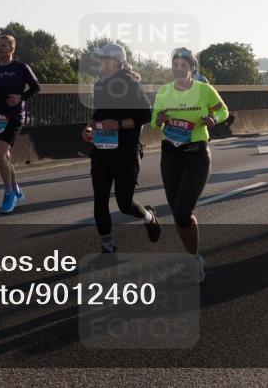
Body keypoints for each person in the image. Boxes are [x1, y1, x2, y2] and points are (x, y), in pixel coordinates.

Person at [152, 48, 229, 283]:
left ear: (191, 68)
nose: (178, 69)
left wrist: (213, 119)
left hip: (196, 155)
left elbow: (223, 110)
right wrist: (161, 120)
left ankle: (194, 260)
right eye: (175, 65)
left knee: (184, 212)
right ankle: (191, 255)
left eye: (183, 65)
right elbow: (155, 123)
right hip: (170, 155)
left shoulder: (203, 90)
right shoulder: (164, 91)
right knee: (177, 213)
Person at [82, 43, 159, 253]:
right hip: (102, 152)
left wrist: (117, 124)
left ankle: (149, 217)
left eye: (104, 58)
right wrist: (89, 128)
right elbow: (99, 114)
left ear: (115, 62)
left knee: (125, 204)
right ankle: (107, 245)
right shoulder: (100, 85)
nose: (100, 62)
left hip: (125, 153)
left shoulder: (129, 84)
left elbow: (146, 115)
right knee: (100, 200)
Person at [0, 34, 41, 214]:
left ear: (11, 49)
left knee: (0, 155)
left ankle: (8, 193)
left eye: (3, 45)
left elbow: (36, 87)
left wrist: (20, 97)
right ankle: (16, 189)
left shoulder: (21, 68)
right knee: (5, 156)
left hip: (15, 116)